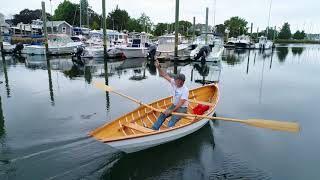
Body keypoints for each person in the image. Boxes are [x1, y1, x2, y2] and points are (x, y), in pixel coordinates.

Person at [152, 60, 189, 130]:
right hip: (174, 106)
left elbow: (180, 104)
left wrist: (171, 111)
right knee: (163, 115)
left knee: (172, 120)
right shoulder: (174, 83)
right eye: (175, 80)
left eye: (176, 80)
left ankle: (169, 131)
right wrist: (158, 67)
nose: (174, 81)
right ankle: (153, 129)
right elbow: (164, 75)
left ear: (181, 82)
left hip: (182, 109)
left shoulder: (185, 90)